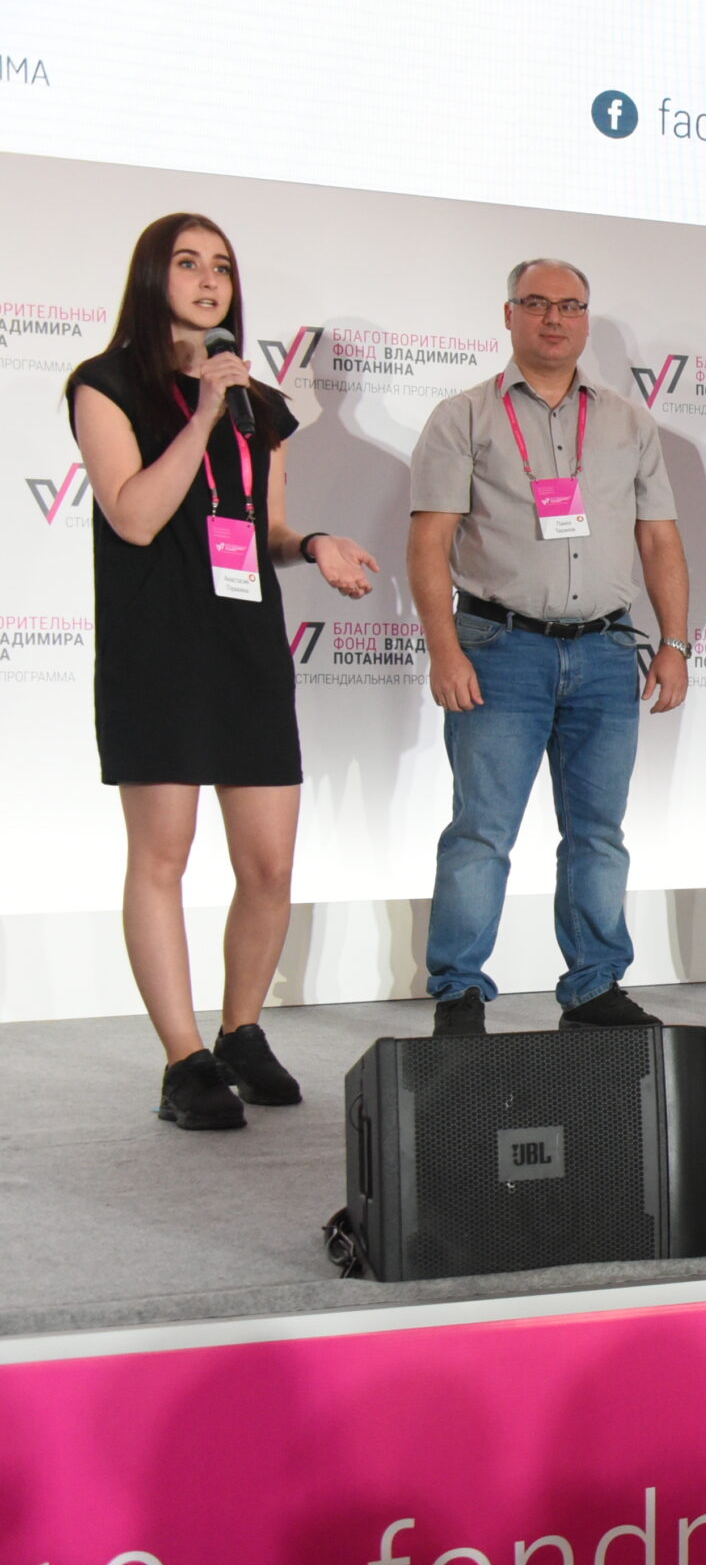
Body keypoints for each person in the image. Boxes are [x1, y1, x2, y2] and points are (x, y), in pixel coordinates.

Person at [65, 212, 381, 1128]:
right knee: (163, 855)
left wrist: (312, 543)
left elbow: (261, 526)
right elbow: (134, 514)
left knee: (270, 863)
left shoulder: (261, 405)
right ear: (152, 277)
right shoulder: (105, 384)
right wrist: (203, 410)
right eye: (189, 264)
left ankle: (242, 1031)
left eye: (222, 268)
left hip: (245, 640)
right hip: (157, 643)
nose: (209, 282)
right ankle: (184, 1060)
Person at [408, 258, 692, 1036]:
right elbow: (429, 542)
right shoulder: (463, 416)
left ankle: (595, 985)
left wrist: (674, 642)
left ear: (586, 318)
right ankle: (459, 990)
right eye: (537, 303)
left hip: (605, 651)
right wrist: (444, 649)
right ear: (509, 315)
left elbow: (660, 539)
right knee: (481, 831)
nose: (554, 318)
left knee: (599, 833)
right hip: (500, 648)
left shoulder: (629, 422)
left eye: (570, 305)